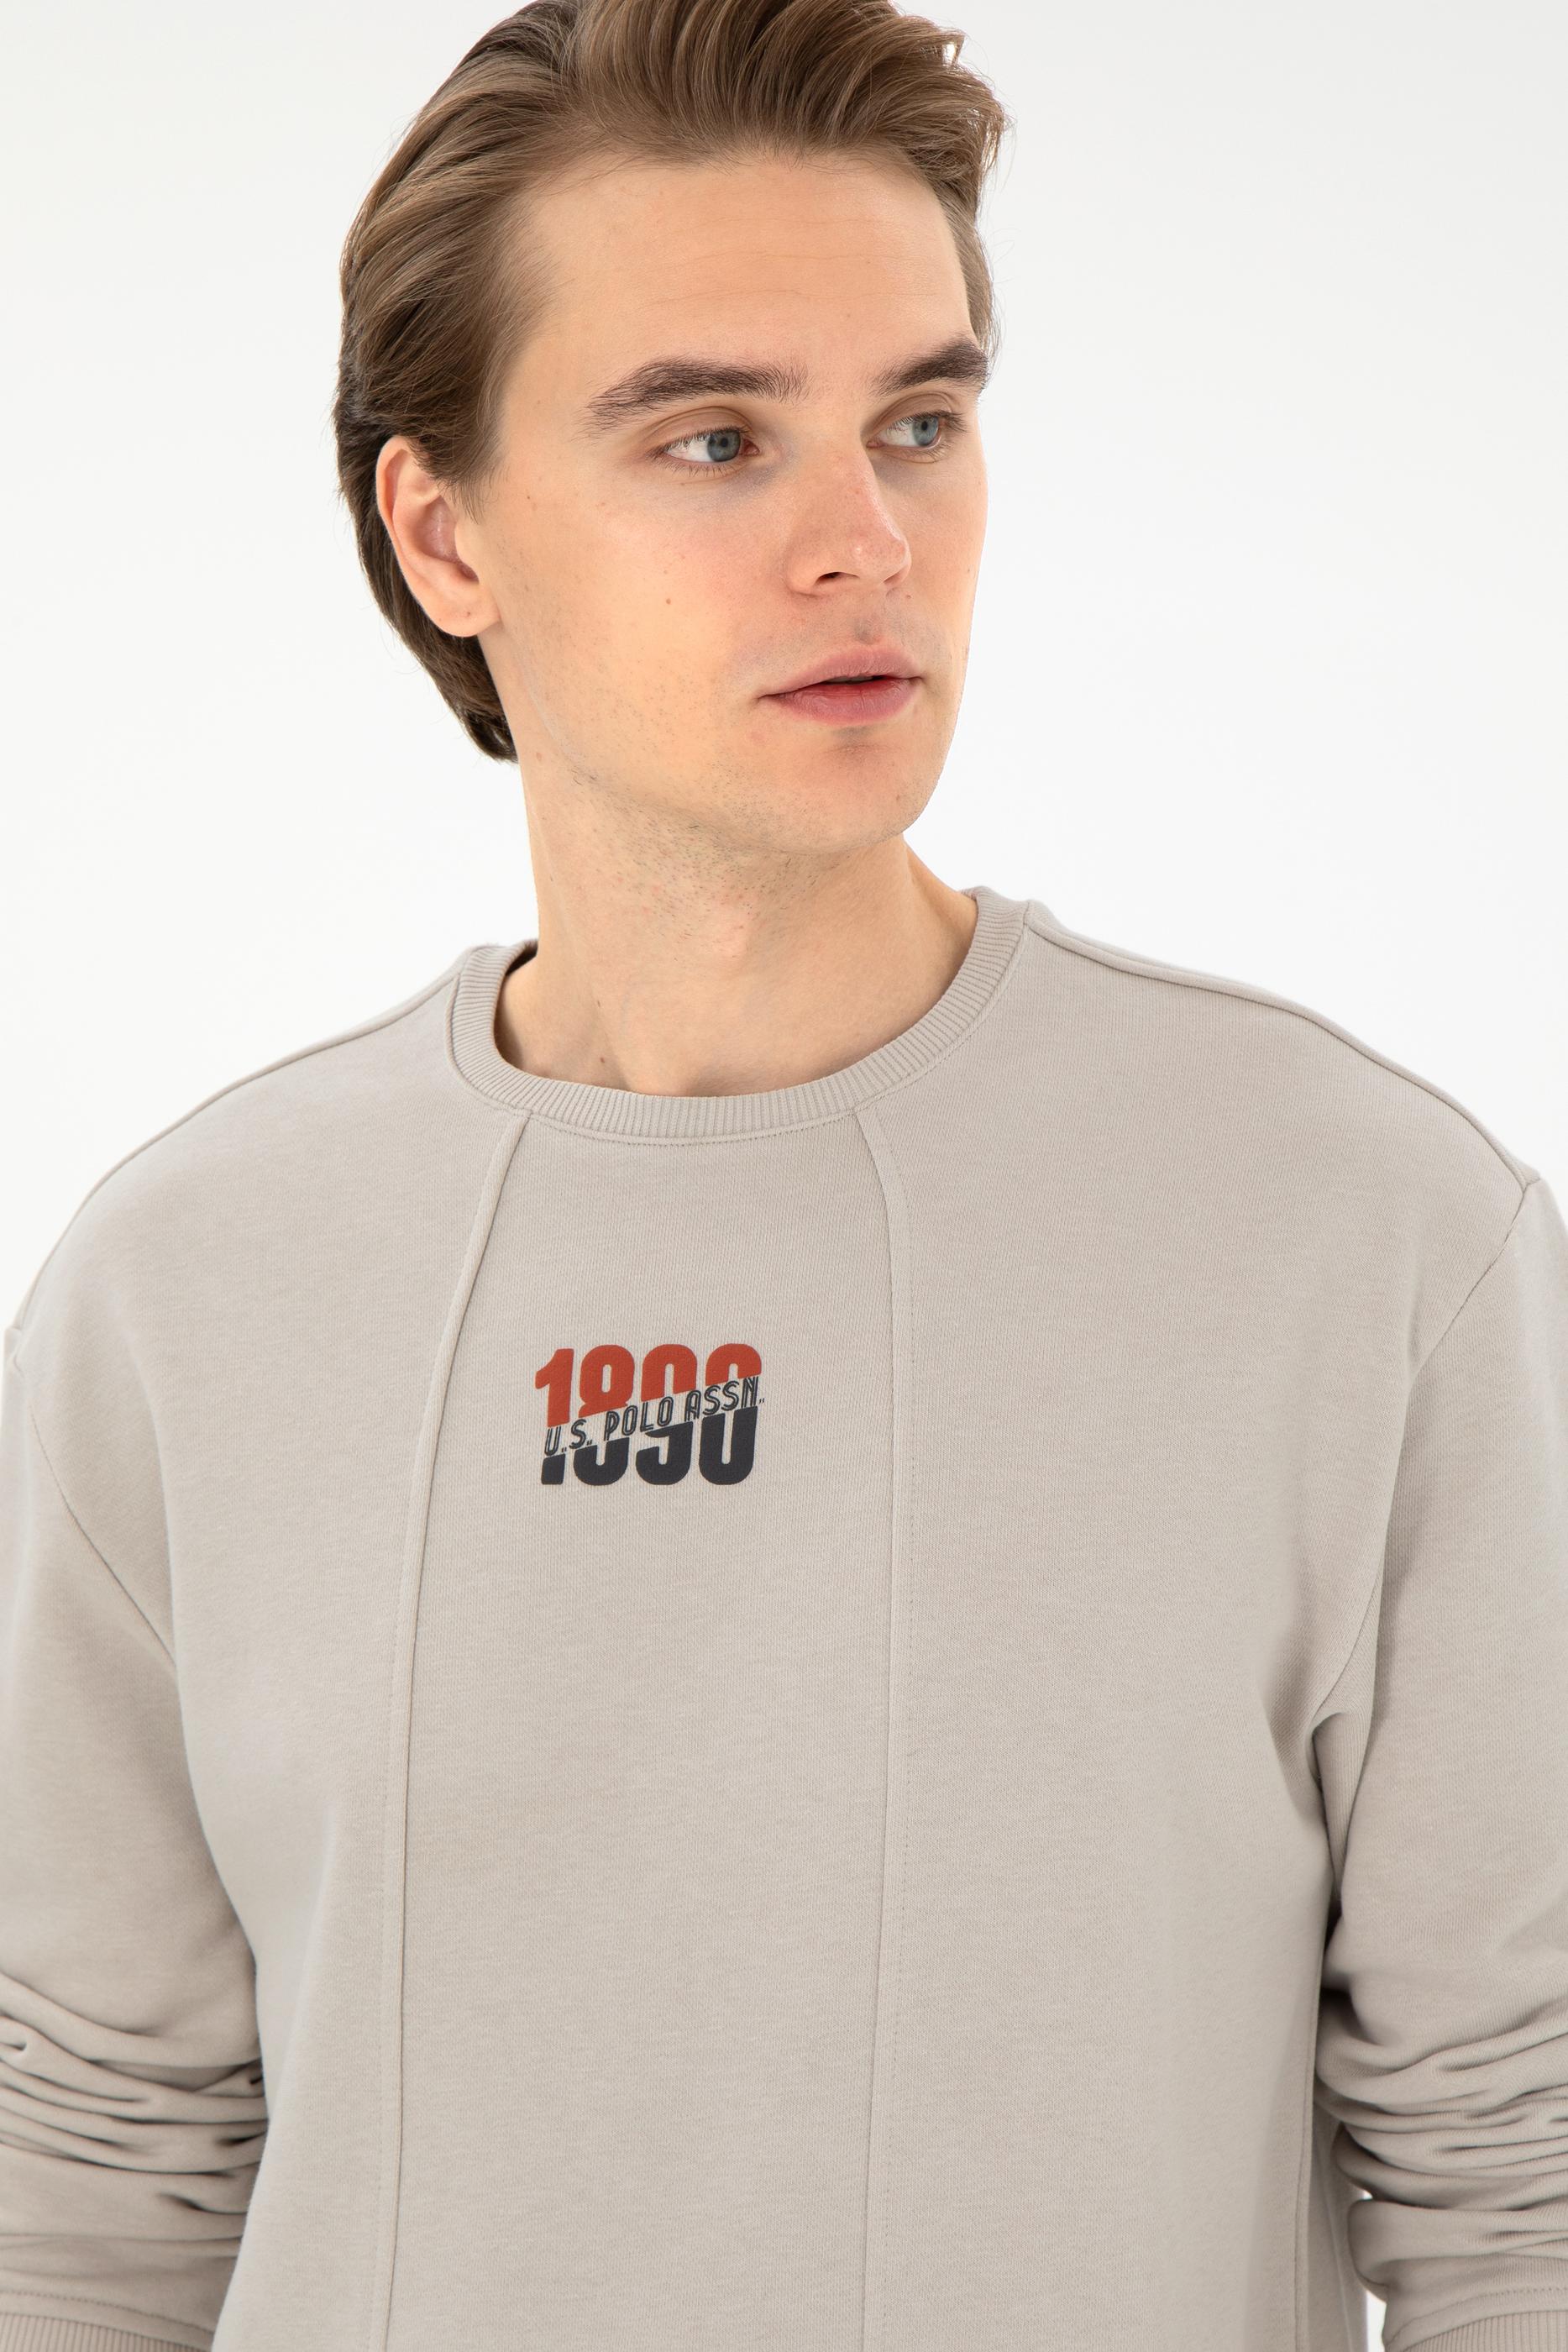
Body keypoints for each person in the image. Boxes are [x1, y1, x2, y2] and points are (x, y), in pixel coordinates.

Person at [2, 2, 1565, 2348]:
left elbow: (1520, 2174)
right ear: (443, 533)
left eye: (918, 422)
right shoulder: (185, 1292)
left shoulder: (1366, 1241)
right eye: (714, 438)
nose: (866, 541)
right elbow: (88, 2178)